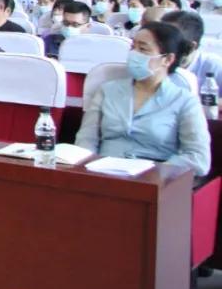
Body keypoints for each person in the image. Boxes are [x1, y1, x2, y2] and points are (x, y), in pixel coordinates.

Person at [75, 22, 209, 176]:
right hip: (101, 172)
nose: (134, 54)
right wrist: (87, 167)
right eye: (133, 47)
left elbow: (197, 157)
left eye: (143, 49)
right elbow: (86, 139)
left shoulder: (184, 101)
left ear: (167, 59)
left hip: (155, 177)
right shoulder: (107, 90)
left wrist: (156, 172)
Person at [161, 10, 222, 91]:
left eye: (169, 40)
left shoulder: (214, 67)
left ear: (191, 47)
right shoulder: (153, 64)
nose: (161, 45)